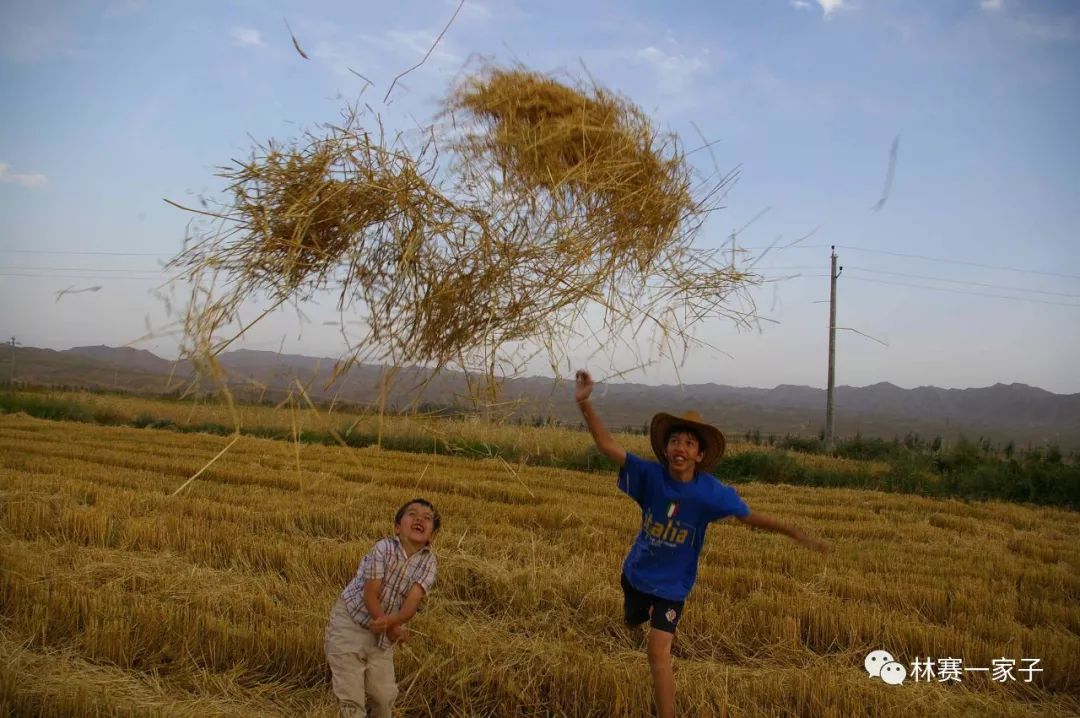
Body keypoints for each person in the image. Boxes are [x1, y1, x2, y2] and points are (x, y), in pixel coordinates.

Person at [574, 370, 828, 718]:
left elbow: (747, 517)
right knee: (632, 619)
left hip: (673, 587)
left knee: (657, 652)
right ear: (666, 449)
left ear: (699, 454)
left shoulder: (711, 493)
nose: (680, 447)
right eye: (675, 441)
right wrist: (585, 403)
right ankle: (635, 613)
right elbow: (607, 446)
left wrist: (794, 532)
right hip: (635, 575)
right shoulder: (650, 476)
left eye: (689, 444)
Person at [324, 498, 440, 718]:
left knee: (384, 697)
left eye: (427, 518)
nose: (419, 519)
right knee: (351, 699)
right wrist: (389, 625)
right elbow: (370, 594)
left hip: (383, 633)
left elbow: (410, 606)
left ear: (432, 537)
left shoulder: (429, 563)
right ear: (397, 528)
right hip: (350, 623)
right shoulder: (383, 548)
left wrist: (390, 625)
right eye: (412, 514)